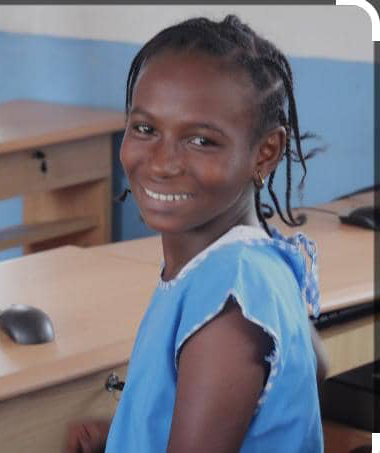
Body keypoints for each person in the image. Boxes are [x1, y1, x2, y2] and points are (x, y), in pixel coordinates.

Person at [65, 15, 328, 453]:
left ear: (265, 153)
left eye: (201, 140)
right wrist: (125, 432)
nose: (163, 162)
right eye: (145, 129)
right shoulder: (252, 262)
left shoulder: (226, 304)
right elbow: (313, 365)